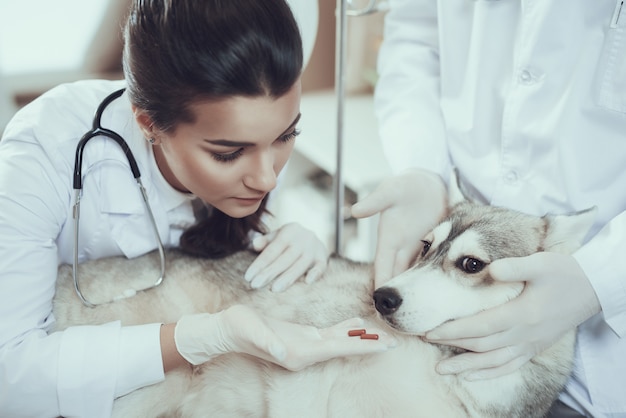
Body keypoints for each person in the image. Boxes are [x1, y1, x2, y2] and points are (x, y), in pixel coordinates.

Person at [0, 1, 395, 416]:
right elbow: (12, 375)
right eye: (228, 154)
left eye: (286, 135)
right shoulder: (43, 152)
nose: (267, 179)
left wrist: (295, 238)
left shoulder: (250, 158)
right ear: (148, 124)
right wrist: (197, 338)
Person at [352, 1, 626, 417]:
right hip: (453, 220)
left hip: (602, 360)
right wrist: (423, 168)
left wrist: (600, 277)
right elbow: (415, 39)